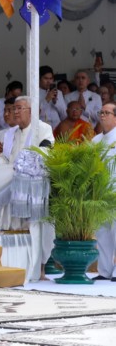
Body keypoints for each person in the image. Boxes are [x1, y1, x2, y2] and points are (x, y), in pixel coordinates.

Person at [0, 96, 54, 168]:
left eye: (19, 108)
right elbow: (7, 159)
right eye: (14, 109)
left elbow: (45, 153)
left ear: (31, 111)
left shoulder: (42, 128)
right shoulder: (11, 133)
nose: (15, 112)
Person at [93, 102, 116, 281]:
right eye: (101, 112)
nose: (102, 115)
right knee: (102, 233)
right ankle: (104, 271)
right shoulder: (96, 140)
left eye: (107, 113)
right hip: (100, 193)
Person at [40, 66, 66, 130]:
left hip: (57, 128)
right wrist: (46, 100)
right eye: (46, 78)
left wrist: (56, 102)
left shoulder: (58, 93)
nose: (49, 81)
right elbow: (33, 115)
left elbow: (64, 115)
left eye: (51, 78)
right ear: (39, 79)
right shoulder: (34, 93)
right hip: (42, 129)